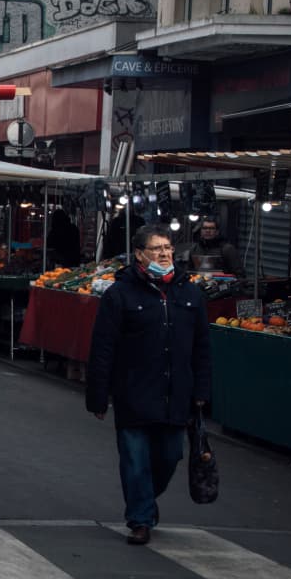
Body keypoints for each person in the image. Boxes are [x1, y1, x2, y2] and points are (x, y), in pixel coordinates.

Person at [86, 225, 212, 546]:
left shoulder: (190, 293)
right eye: (157, 249)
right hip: (133, 393)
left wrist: (202, 391)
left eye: (168, 248)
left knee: (169, 457)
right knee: (135, 459)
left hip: (176, 394)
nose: (165, 254)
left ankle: (144, 499)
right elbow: (103, 348)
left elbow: (201, 348)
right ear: (140, 255)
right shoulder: (120, 294)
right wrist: (98, 397)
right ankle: (140, 518)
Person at [179, 217, 243, 276]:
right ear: (201, 231)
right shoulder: (194, 249)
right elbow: (189, 272)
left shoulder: (227, 249)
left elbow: (239, 274)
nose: (208, 231)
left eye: (211, 228)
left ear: (217, 232)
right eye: (205, 228)